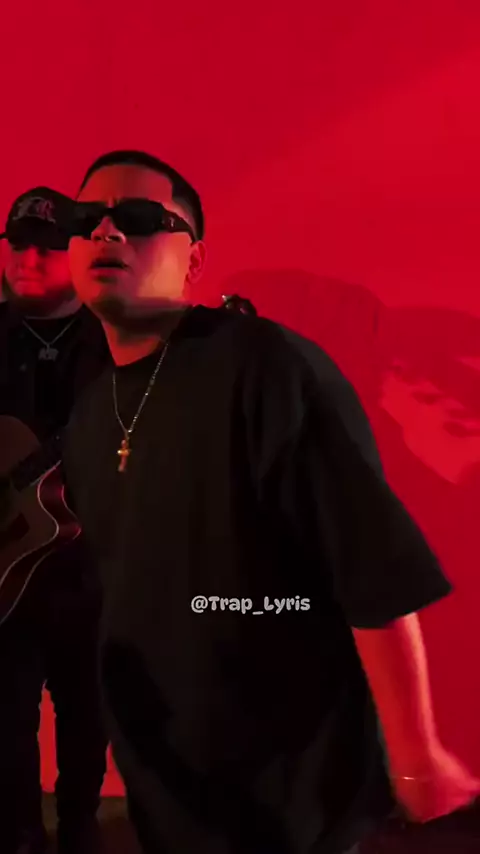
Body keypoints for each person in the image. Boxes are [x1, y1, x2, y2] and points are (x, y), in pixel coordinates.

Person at [64, 149, 480, 854]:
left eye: (139, 217)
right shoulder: (88, 413)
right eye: (87, 219)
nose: (107, 232)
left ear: (194, 260)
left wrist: (416, 755)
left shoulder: (264, 365)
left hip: (287, 794)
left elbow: (371, 571)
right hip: (165, 782)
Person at [0, 187, 109, 854]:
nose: (27, 259)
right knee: (5, 721)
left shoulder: (120, 346)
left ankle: (79, 827)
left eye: (45, 247)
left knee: (87, 712)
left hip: (88, 569)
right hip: (5, 577)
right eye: (17, 245)